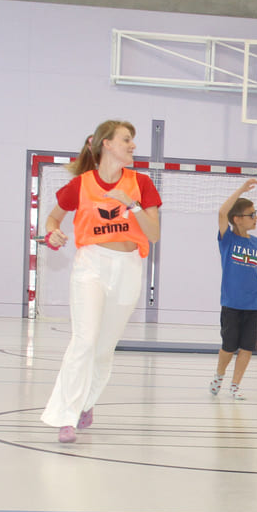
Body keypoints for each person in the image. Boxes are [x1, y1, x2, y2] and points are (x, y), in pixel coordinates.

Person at [39, 120, 163, 444]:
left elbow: (154, 234)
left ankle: (87, 403)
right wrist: (53, 232)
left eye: (133, 141)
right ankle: (66, 416)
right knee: (84, 340)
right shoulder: (81, 185)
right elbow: (54, 218)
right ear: (106, 144)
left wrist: (131, 204)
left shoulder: (142, 183)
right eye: (126, 139)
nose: (133, 145)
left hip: (129, 266)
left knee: (104, 348)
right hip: (91, 264)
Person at [208, 179, 257, 401]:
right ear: (237, 219)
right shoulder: (228, 239)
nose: (255, 218)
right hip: (231, 303)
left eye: (255, 214)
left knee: (247, 348)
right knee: (229, 347)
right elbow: (221, 212)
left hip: (253, 304)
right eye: (251, 214)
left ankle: (235, 385)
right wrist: (241, 191)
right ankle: (219, 374)